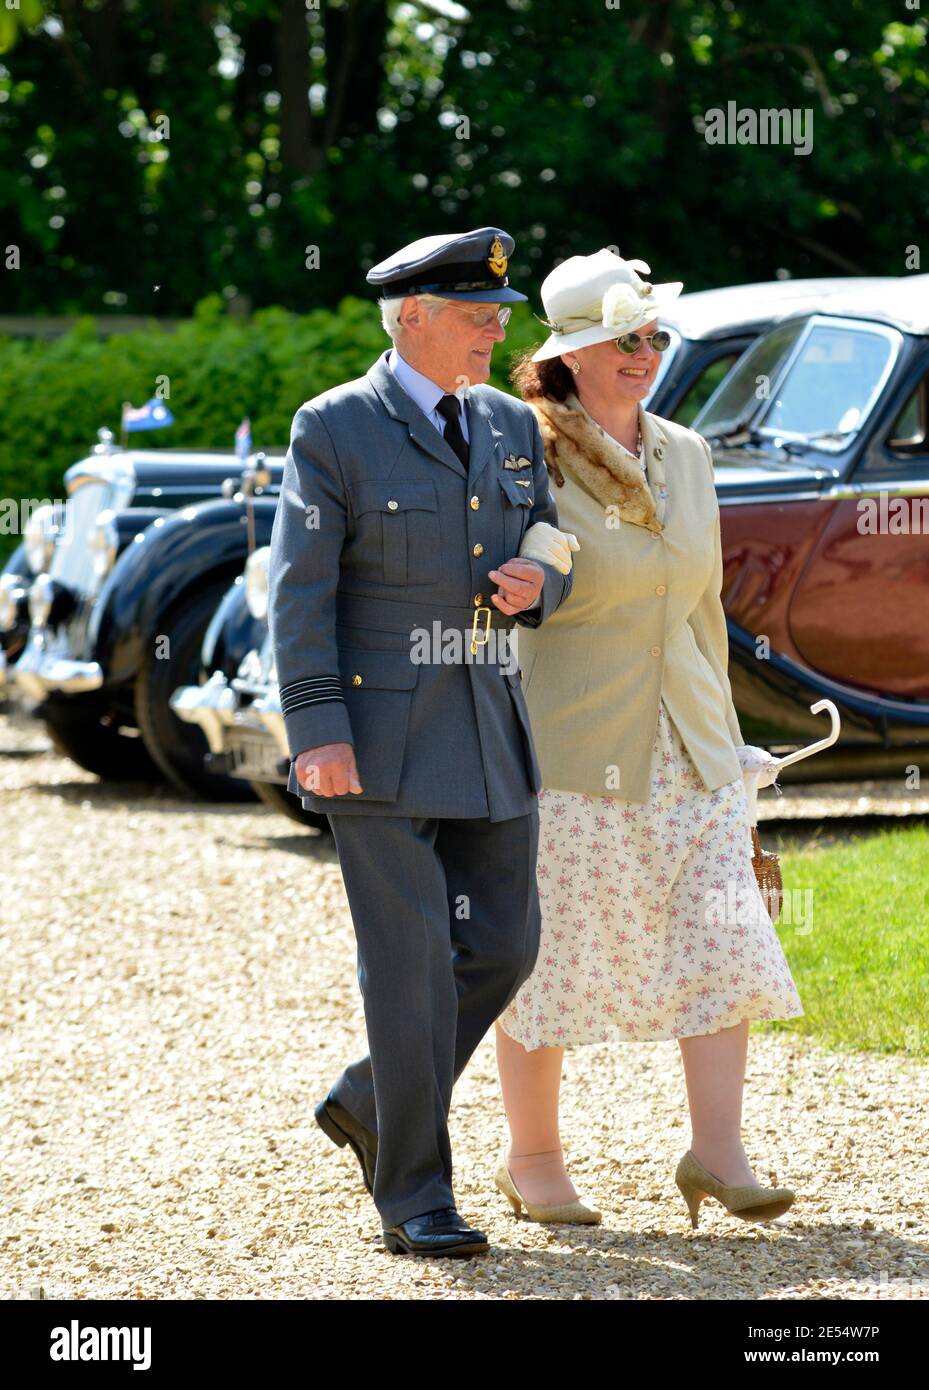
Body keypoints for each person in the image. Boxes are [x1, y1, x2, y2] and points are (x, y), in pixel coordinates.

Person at [267, 227, 573, 1258]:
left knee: (503, 946)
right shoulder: (334, 428)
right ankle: (414, 1194)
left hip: (489, 727)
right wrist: (316, 730)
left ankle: (369, 1097)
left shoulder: (508, 425)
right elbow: (297, 593)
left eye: (496, 312)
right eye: (474, 312)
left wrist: (545, 586)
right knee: (408, 972)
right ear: (410, 318)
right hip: (378, 741)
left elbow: (546, 542)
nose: (496, 327)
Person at [493, 248, 804, 1231]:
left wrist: (734, 738)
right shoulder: (525, 449)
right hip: (572, 743)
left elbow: (699, 608)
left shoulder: (688, 452)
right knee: (549, 951)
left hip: (694, 745)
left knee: (722, 939)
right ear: (573, 352)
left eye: (651, 336)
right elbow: (509, 595)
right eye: (622, 339)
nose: (644, 354)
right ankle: (531, 1156)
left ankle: (716, 1154)